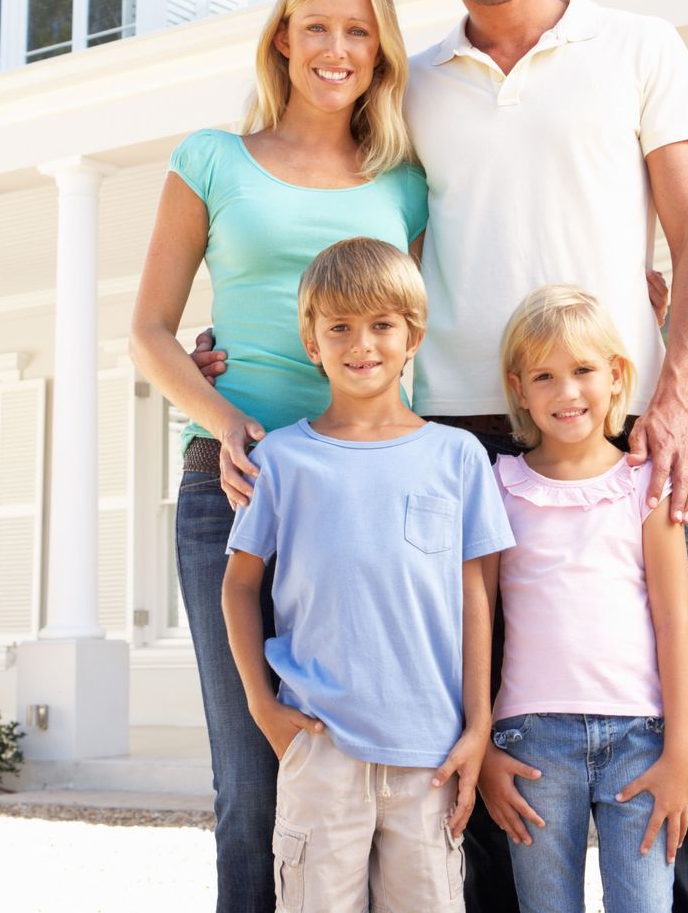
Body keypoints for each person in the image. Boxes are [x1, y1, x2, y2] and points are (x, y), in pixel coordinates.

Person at [197, 0, 688, 913]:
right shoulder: (416, 89)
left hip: (611, 418)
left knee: (677, 724)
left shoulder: (641, 46)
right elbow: (324, 200)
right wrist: (237, 348)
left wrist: (674, 401)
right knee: (487, 731)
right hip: (460, 434)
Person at [130, 0, 429, 913]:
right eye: (317, 27)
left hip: (364, 489)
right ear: (283, 40)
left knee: (372, 765)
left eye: (357, 30)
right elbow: (148, 330)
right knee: (252, 780)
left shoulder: (407, 184)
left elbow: (414, 331)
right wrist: (226, 421)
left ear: (379, 52)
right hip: (238, 489)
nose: (336, 48)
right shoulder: (212, 158)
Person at [221, 238, 514, 911]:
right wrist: (262, 705)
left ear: (413, 335)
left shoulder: (459, 457)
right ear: (311, 339)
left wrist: (478, 726)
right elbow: (239, 585)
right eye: (341, 327)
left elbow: (477, 599)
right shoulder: (284, 460)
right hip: (320, 750)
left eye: (382, 325)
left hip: (431, 755)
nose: (363, 344)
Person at [486, 285, 688, 912]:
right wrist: (486, 745)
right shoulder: (497, 488)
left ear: (616, 377)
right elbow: (475, 624)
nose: (567, 391)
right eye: (545, 376)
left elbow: (674, 626)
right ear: (520, 390)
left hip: (642, 740)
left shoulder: (646, 485)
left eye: (583, 371)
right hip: (530, 744)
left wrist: (680, 756)